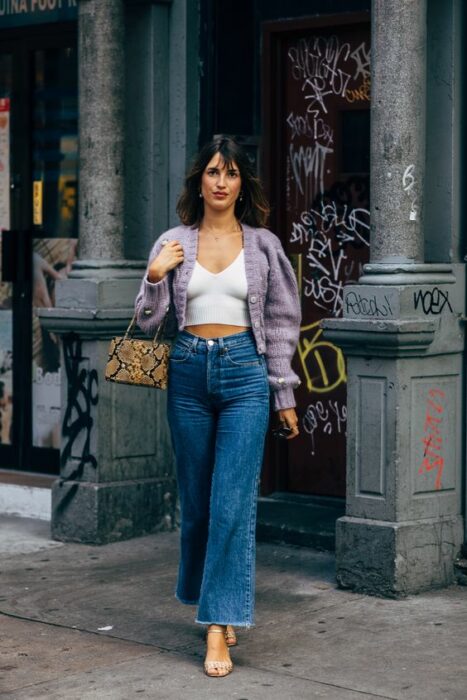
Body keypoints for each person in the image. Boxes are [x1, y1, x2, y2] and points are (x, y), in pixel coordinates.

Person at [135, 135, 301, 677]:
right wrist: (156, 275)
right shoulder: (173, 242)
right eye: (212, 172)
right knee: (199, 506)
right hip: (186, 373)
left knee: (231, 503)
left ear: (241, 184)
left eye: (230, 173)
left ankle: (216, 628)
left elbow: (279, 324)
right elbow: (145, 322)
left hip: (244, 376)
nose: (221, 182)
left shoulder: (264, 246)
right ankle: (213, 599)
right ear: (199, 182)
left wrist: (284, 394)